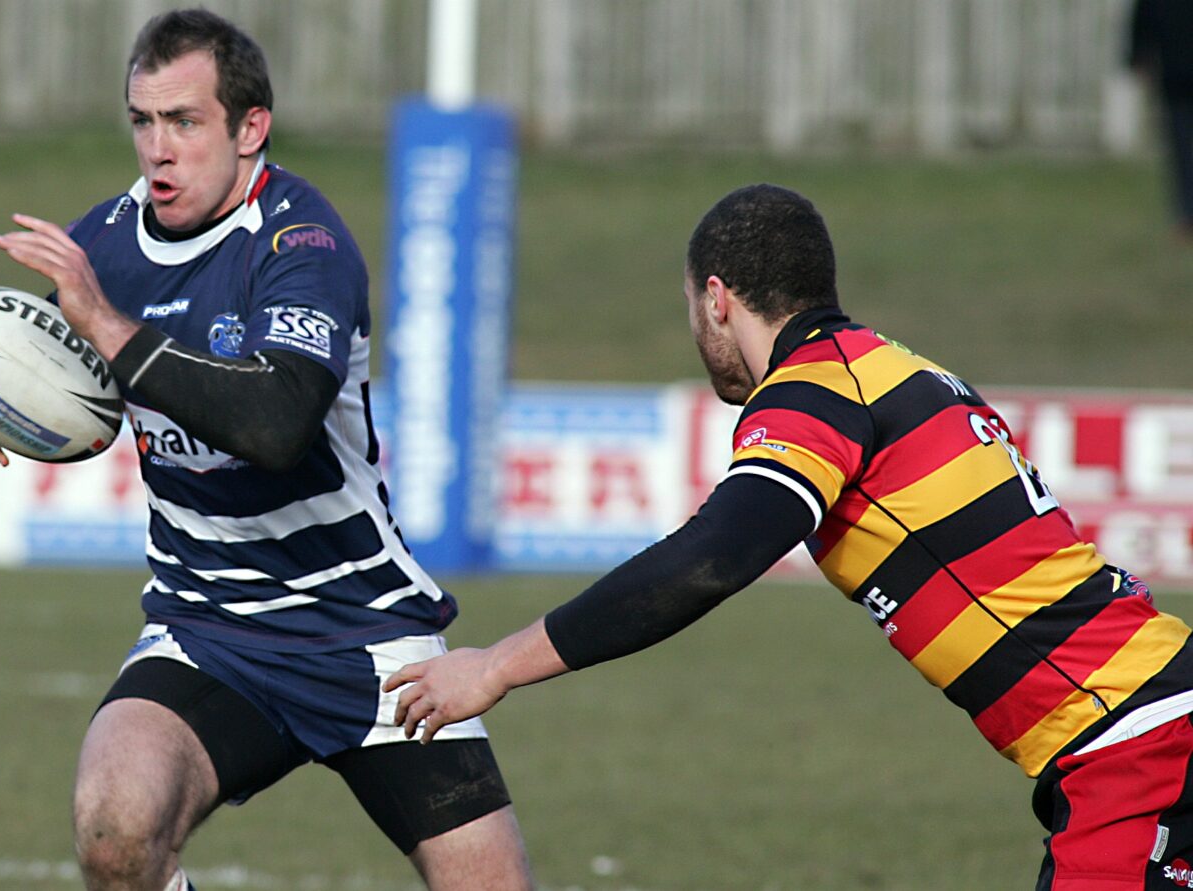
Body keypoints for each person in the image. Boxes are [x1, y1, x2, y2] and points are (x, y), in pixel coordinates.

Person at [386, 183, 1193, 890]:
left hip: (1134, 742)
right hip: (1139, 725)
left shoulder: (814, 391)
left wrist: (494, 665)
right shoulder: (893, 368)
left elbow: (709, 559)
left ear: (716, 299)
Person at [0, 9, 532, 891]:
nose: (158, 149)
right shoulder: (103, 247)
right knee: (114, 825)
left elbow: (277, 426)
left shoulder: (303, 245)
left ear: (251, 129)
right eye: (142, 121)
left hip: (362, 634)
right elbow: (60, 377)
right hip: (206, 631)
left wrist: (112, 329)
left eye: (185, 121)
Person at [1128, 0, 1193, 241]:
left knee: (1181, 145)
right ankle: (1187, 214)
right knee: (1180, 145)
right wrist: (1139, 55)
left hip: (1174, 67)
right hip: (1175, 71)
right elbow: (1145, 15)